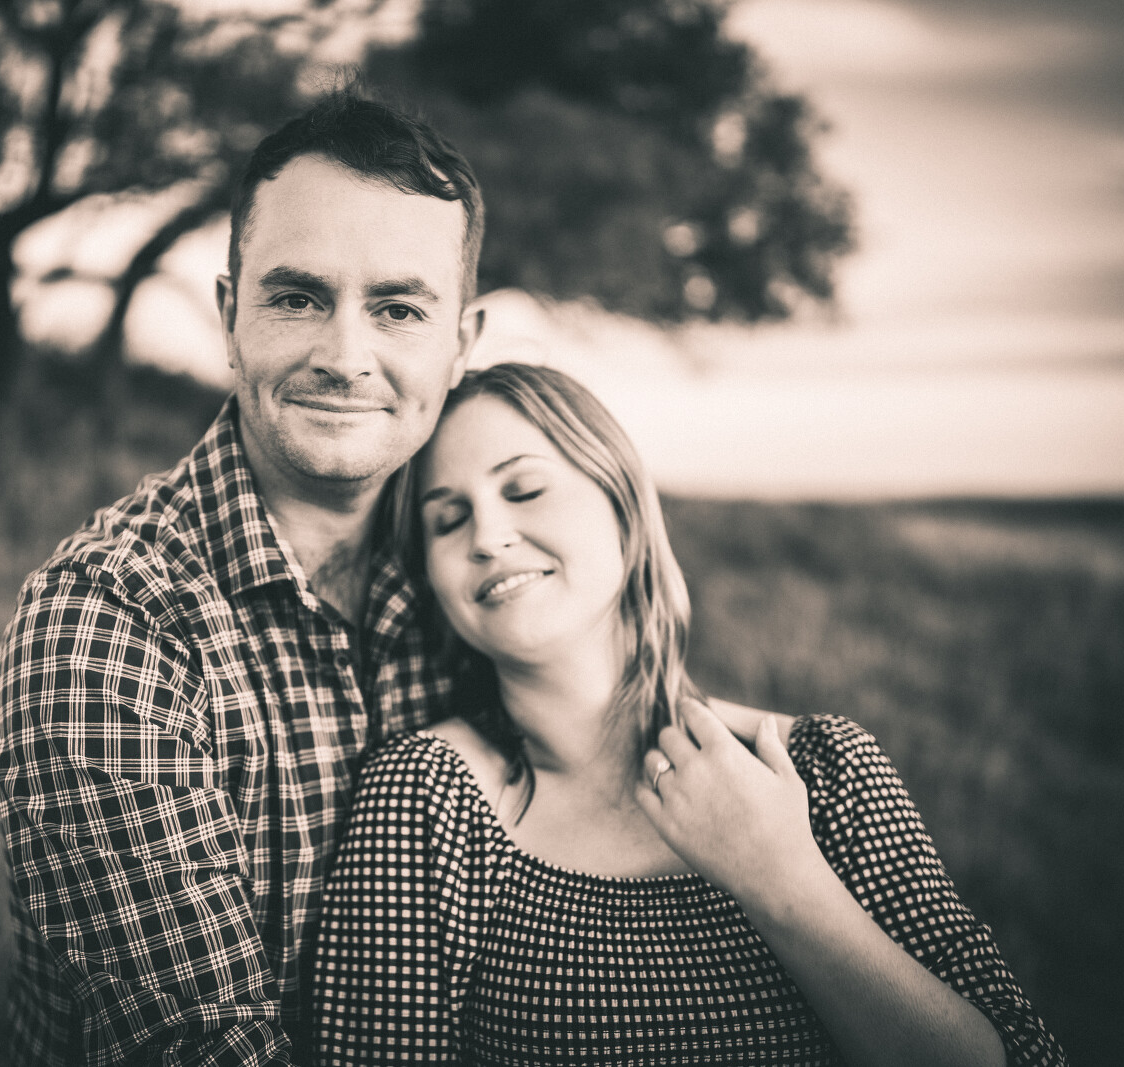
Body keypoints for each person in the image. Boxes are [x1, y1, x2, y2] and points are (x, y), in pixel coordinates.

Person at [310, 362, 1068, 1066]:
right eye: (448, 520)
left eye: (525, 489)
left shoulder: (820, 769)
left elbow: (1024, 1055)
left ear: (623, 503)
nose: (488, 536)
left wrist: (782, 877)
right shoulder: (426, 799)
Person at [0, 89, 489, 1064]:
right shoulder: (107, 625)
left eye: (398, 308)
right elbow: (200, 1046)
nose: (345, 357)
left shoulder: (480, 573)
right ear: (229, 316)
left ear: (460, 343)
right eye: (297, 298)